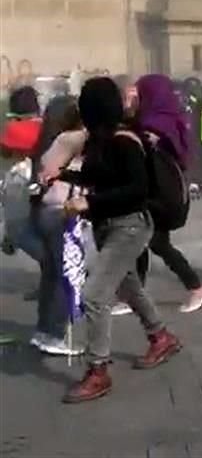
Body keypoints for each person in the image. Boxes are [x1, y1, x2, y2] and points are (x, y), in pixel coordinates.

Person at [58, 76, 181, 404]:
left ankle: (98, 371)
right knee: (128, 286)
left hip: (129, 226)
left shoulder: (125, 140)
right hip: (108, 226)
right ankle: (161, 336)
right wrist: (62, 176)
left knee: (95, 294)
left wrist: (89, 203)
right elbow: (102, 177)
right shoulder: (102, 139)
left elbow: (137, 189)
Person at [123, 74, 202, 315]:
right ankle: (137, 295)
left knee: (153, 242)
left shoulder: (154, 123)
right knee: (147, 242)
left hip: (160, 192)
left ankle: (195, 287)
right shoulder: (166, 117)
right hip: (158, 190)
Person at [29, 95, 86, 355]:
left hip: (46, 211)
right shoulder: (74, 139)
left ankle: (44, 331)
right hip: (62, 212)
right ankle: (53, 334)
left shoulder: (48, 140)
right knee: (66, 275)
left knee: (52, 274)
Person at [1, 85, 44, 269]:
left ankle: (53, 270)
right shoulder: (46, 126)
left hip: (21, 182)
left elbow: (4, 152)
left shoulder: (14, 129)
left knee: (19, 229)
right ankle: (50, 278)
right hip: (43, 181)